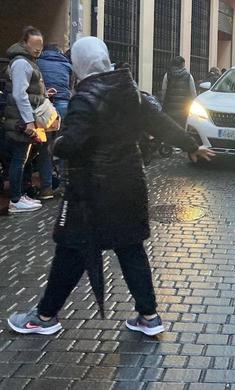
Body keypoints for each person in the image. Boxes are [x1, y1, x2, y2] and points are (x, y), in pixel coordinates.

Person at [7, 37, 215, 337]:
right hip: (128, 185)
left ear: (79, 65)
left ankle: (44, 316)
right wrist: (190, 145)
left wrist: (57, 143)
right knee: (130, 249)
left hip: (90, 193)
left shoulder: (85, 97)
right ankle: (149, 315)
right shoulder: (129, 90)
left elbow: (71, 144)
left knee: (71, 251)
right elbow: (160, 123)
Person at [3, 26, 50, 213]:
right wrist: (29, 121)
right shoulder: (22, 63)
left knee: (22, 158)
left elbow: (26, 92)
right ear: (25, 43)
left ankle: (20, 194)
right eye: (35, 45)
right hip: (20, 119)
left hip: (21, 117)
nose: (39, 48)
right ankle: (15, 199)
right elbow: (19, 94)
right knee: (19, 158)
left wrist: (42, 95)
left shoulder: (27, 61)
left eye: (41, 45)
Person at [36, 43, 73, 200]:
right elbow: (70, 87)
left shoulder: (37, 63)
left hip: (45, 108)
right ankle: (65, 186)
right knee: (63, 146)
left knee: (44, 148)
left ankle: (46, 189)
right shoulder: (67, 64)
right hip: (64, 106)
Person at [161, 56, 196, 126]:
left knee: (171, 127)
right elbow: (193, 92)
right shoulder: (188, 76)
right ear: (182, 64)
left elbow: (164, 90)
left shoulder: (167, 75)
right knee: (182, 128)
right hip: (184, 109)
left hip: (170, 108)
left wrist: (163, 101)